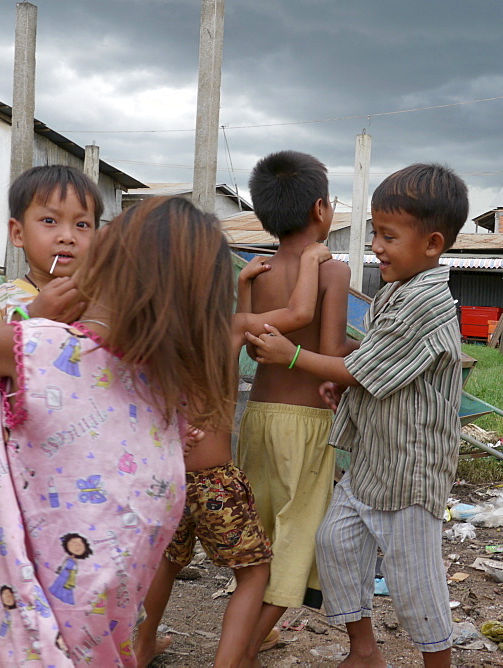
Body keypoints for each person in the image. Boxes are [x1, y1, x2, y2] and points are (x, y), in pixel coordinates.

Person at [0, 196, 239, 666]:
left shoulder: (40, 343)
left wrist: (32, 319)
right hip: (103, 623)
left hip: (33, 625)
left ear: (107, 266)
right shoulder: (165, 378)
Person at [246, 163, 469, 668]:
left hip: (411, 470)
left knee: (416, 579)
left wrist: (296, 357)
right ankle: (363, 651)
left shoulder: (427, 302)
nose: (377, 246)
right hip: (372, 458)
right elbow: (367, 353)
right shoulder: (396, 290)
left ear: (432, 244)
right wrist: (343, 361)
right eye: (375, 233)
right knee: (335, 542)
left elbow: (362, 368)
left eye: (389, 236)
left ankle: (439, 662)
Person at [136, 238, 333, 667]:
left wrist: (245, 287)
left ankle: (141, 646)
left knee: (167, 561)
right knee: (254, 573)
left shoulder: (148, 337)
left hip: (162, 479)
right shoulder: (225, 324)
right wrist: (312, 260)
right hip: (213, 481)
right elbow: (300, 315)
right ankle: (231, 662)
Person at [0, 164, 102, 666]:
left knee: (83, 584)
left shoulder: (107, 304)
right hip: (16, 478)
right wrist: (20, 435)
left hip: (86, 481)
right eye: (50, 221)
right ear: (17, 232)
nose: (67, 237)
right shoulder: (1, 303)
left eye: (83, 225)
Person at [230, 150, 353, 657]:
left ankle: (250, 631)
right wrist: (371, 352)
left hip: (256, 417)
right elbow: (327, 353)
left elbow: (247, 337)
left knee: (257, 541)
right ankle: (243, 646)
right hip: (306, 425)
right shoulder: (332, 271)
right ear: (322, 209)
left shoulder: (255, 272)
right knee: (298, 539)